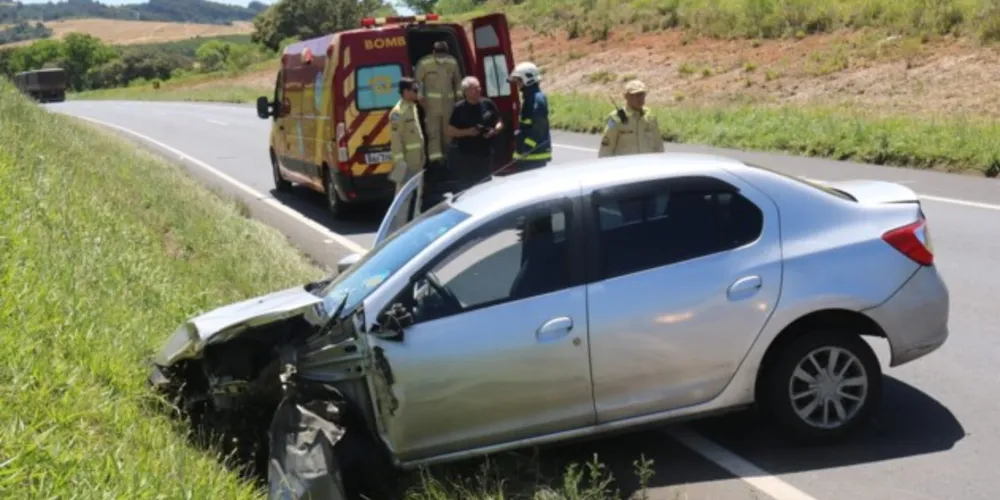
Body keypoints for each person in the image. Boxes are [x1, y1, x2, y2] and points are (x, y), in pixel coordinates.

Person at [444, 75, 503, 193]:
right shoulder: (459, 108)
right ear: (466, 92)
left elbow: (500, 122)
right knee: (469, 188)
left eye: (479, 87)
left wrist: (495, 130)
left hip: (485, 154)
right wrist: (467, 132)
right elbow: (449, 131)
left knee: (486, 187)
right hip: (467, 156)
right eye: (474, 88)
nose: (478, 90)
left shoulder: (487, 103)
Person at [414, 41, 462, 166]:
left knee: (449, 134)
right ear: (433, 52)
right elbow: (417, 83)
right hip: (431, 107)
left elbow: (457, 81)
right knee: (433, 134)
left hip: (449, 105)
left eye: (443, 55)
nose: (441, 58)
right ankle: (436, 163)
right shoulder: (424, 63)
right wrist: (421, 99)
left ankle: (449, 160)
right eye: (439, 55)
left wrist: (459, 100)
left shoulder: (452, 62)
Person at [598, 79, 665, 158]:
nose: (640, 98)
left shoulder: (650, 117)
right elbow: (606, 146)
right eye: (636, 95)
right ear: (626, 96)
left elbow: (658, 146)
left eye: (642, 94)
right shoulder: (616, 118)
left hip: (646, 164)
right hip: (625, 165)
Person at [389, 77, 427, 209]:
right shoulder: (398, 112)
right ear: (405, 91)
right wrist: (401, 164)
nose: (417, 92)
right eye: (414, 90)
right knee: (403, 198)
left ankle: (415, 220)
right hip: (406, 163)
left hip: (417, 160)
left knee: (417, 195)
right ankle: (400, 222)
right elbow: (396, 139)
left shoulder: (412, 107)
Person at [507, 61, 552, 172]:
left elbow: (539, 128)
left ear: (527, 79)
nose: (517, 84)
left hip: (534, 156)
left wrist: (527, 147)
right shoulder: (529, 98)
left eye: (518, 80)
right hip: (529, 156)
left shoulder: (537, 99)